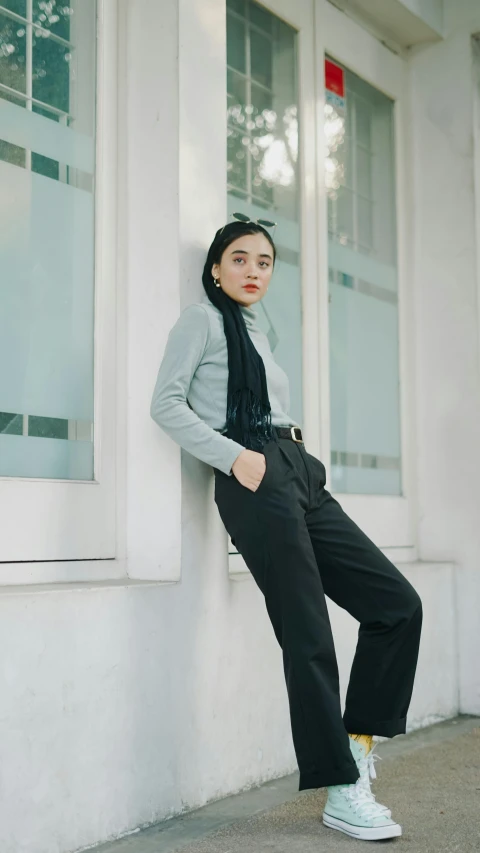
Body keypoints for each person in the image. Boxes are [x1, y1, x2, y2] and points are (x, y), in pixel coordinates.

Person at [150, 216, 423, 842]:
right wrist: (234, 458)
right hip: (253, 473)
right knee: (308, 632)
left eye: (265, 262)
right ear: (216, 268)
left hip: (296, 470)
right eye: (240, 259)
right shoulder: (201, 321)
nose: (253, 272)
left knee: (397, 607)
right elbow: (166, 402)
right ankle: (339, 789)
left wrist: (296, 462)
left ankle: (355, 746)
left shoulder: (255, 330)